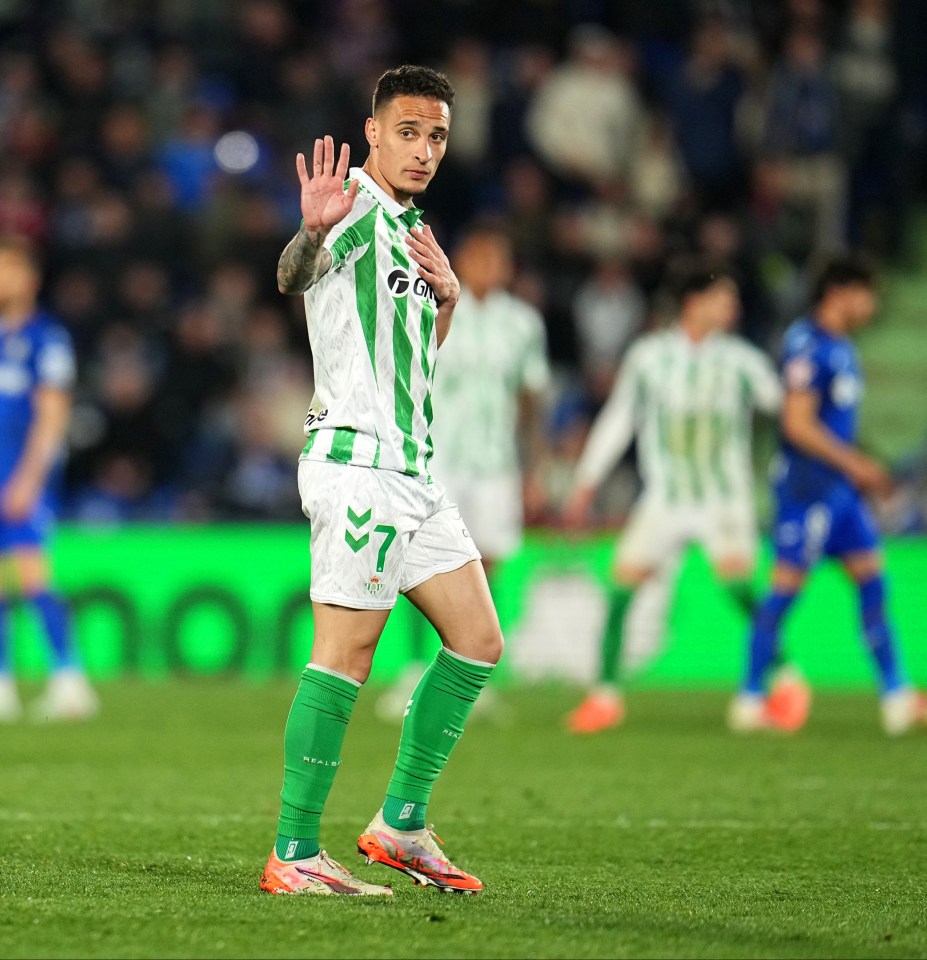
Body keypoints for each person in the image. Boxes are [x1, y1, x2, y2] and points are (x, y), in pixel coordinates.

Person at [259, 65, 503, 898]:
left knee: (476, 640)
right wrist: (312, 233)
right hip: (357, 469)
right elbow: (293, 276)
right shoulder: (356, 209)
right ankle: (293, 852)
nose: (425, 149)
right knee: (345, 656)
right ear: (373, 133)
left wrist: (447, 302)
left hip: (414, 473)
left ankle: (399, 825)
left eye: (436, 135)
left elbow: (408, 364)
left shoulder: (410, 226)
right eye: (408, 132)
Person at [562, 262, 803, 733]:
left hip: (723, 498)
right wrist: (587, 479)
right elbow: (620, 418)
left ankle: (788, 679)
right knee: (620, 592)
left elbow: (784, 409)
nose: (733, 307)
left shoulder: (740, 359)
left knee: (739, 591)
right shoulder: (650, 356)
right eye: (724, 298)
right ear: (695, 302)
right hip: (666, 499)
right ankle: (606, 696)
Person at [728, 256, 927, 735]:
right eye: (866, 293)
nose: (872, 304)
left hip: (839, 495)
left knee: (874, 583)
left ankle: (897, 697)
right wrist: (856, 463)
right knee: (783, 594)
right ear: (840, 292)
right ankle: (750, 699)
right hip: (807, 491)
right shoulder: (807, 345)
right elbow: (797, 424)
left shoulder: (842, 348)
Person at [376, 218, 551, 721]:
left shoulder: (523, 323)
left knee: (487, 564)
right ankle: (413, 671)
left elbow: (530, 397)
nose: (492, 268)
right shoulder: (428, 303)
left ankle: (471, 674)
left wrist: (534, 465)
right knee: (421, 561)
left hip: (496, 462)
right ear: (463, 259)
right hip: (438, 457)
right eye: (482, 257)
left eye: (501, 260)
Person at [0, 236, 98, 722]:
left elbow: (52, 415)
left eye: (9, 268)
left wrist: (30, 479)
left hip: (22, 477)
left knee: (34, 575)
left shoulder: (46, 338)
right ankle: (4, 686)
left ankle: (70, 680)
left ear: (30, 279)